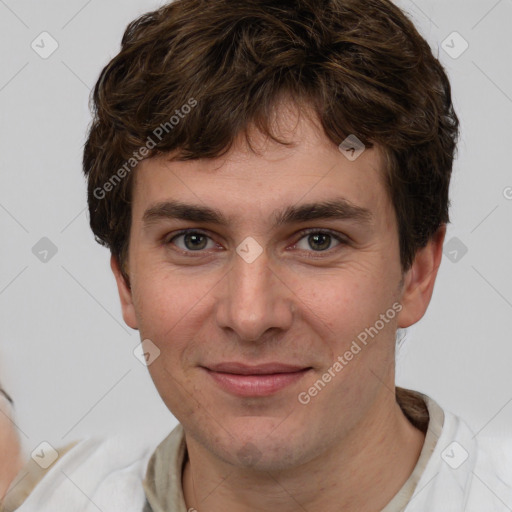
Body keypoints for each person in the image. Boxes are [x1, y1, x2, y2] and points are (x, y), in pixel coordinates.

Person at [3, 0, 512, 510]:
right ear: (125, 280)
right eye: (193, 241)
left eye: (319, 240)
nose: (250, 316)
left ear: (417, 274)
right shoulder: (48, 496)